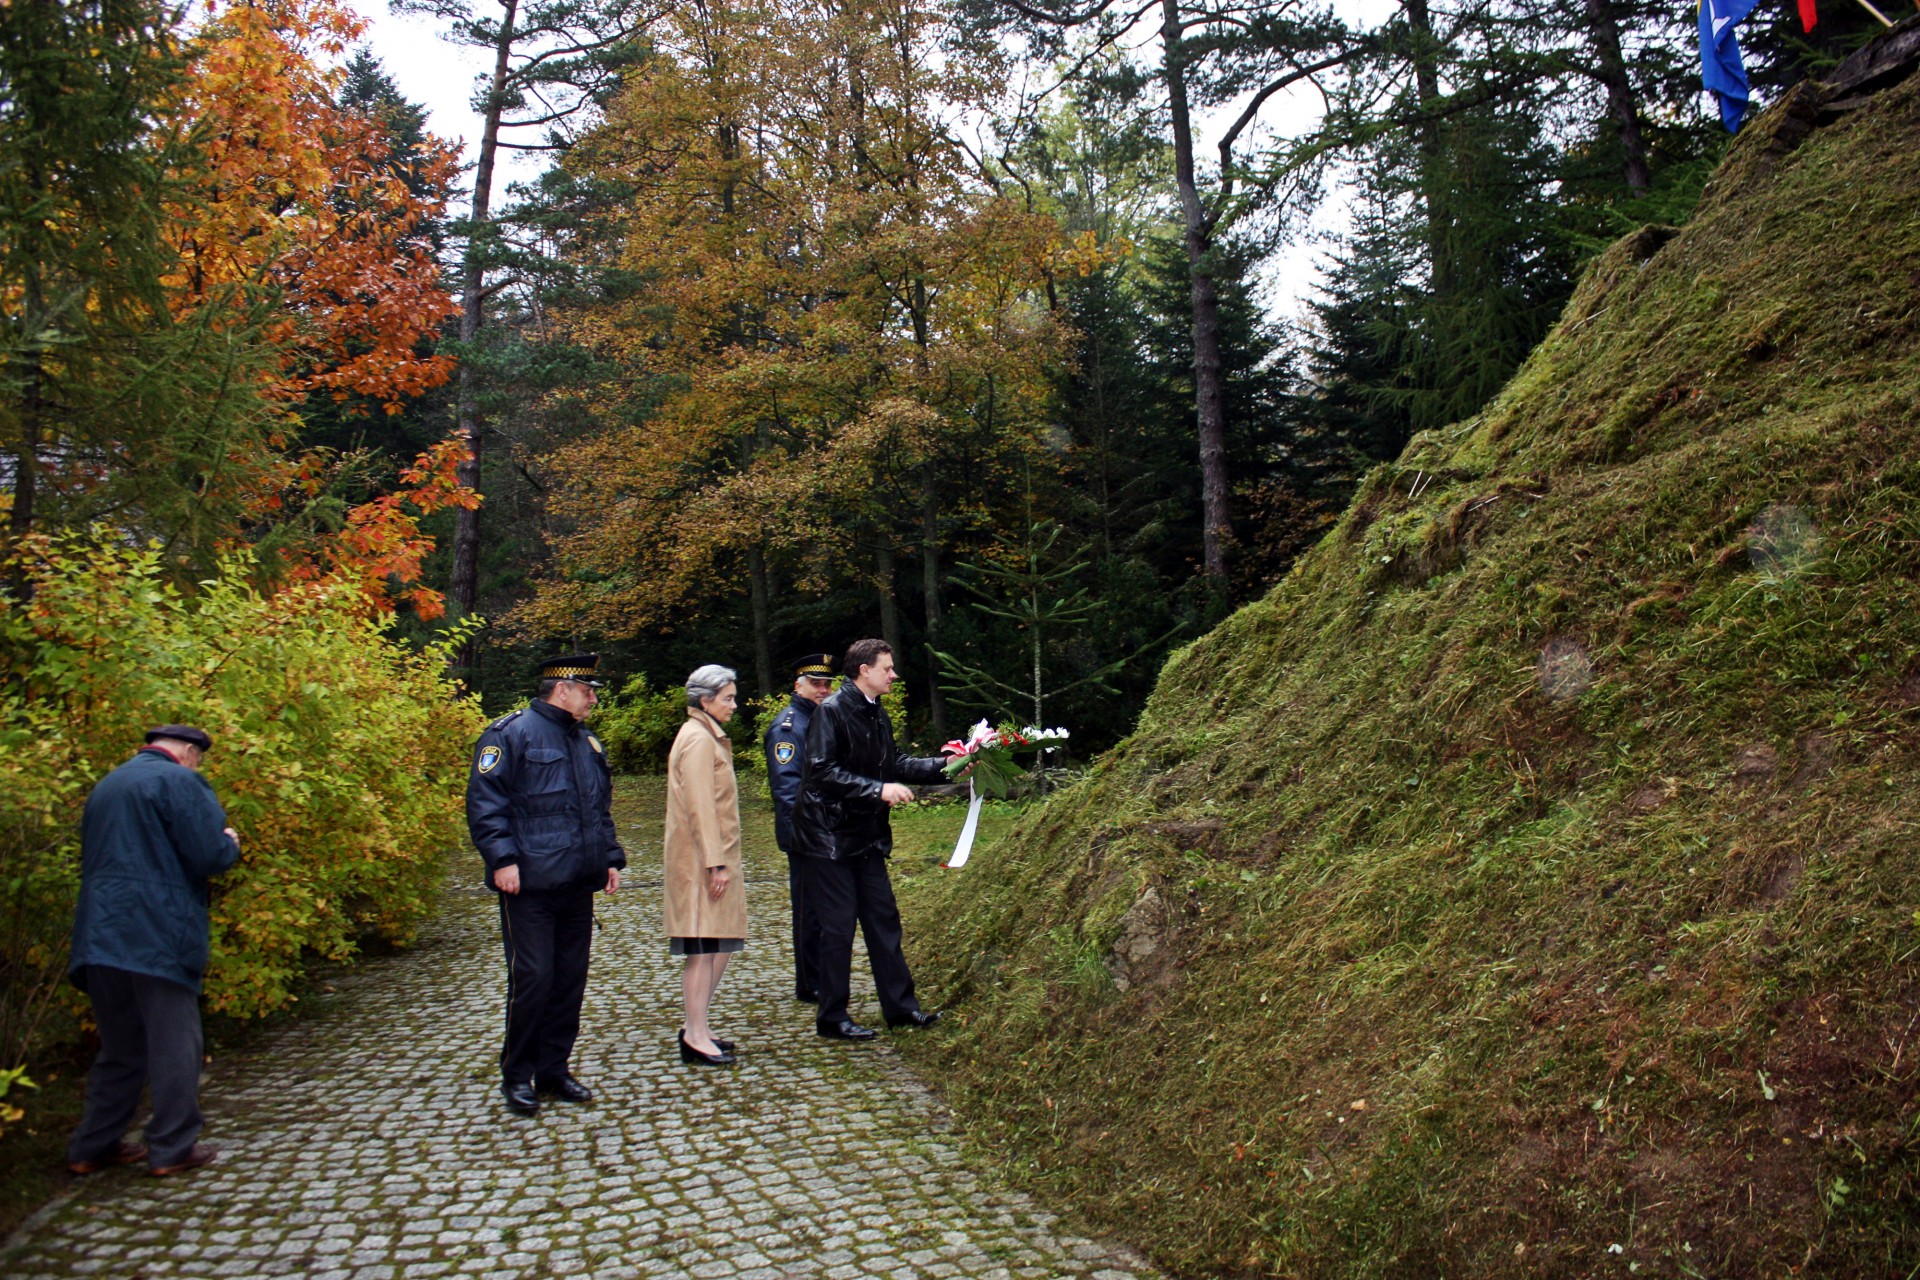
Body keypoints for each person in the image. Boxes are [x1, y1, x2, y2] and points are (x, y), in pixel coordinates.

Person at [65, 724, 240, 1178]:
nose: (198, 765)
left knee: (121, 1046)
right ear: (186, 751)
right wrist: (230, 843)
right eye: (198, 758)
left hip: (100, 932)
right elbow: (207, 855)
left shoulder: (109, 784)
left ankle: (92, 1145)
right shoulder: (180, 781)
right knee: (174, 1043)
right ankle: (172, 1146)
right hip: (157, 929)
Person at [467, 653, 625, 1116]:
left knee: (569, 980)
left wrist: (610, 858)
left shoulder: (587, 741)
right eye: (588, 690)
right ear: (562, 689)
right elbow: (485, 802)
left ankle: (555, 1069)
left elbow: (598, 807)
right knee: (533, 978)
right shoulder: (509, 734)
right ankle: (517, 1075)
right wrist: (502, 860)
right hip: (530, 884)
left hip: (577, 881)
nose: (593, 698)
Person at [790, 638, 946, 1040]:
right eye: (887, 668)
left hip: (866, 837)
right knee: (838, 929)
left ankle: (901, 1010)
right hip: (828, 839)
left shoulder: (877, 713)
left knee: (884, 921)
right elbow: (821, 771)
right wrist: (878, 790)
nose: (893, 675)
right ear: (864, 671)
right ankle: (832, 1018)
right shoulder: (832, 712)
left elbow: (894, 764)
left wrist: (948, 764)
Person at [663, 665, 748, 1066]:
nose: (735, 704)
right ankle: (693, 1034)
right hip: (701, 863)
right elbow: (699, 806)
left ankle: (699, 1025)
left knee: (720, 945)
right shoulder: (698, 739)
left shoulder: (707, 735)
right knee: (702, 948)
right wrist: (715, 863)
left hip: (715, 858)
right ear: (705, 701)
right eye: (728, 697)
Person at [763, 651, 835, 1004]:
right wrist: (808, 832)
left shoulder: (821, 719)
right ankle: (810, 982)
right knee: (809, 910)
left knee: (824, 908)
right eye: (815, 684)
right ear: (798, 685)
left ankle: (821, 975)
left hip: (824, 828)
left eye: (826, 684)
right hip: (805, 832)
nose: (822, 690)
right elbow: (787, 788)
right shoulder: (788, 727)